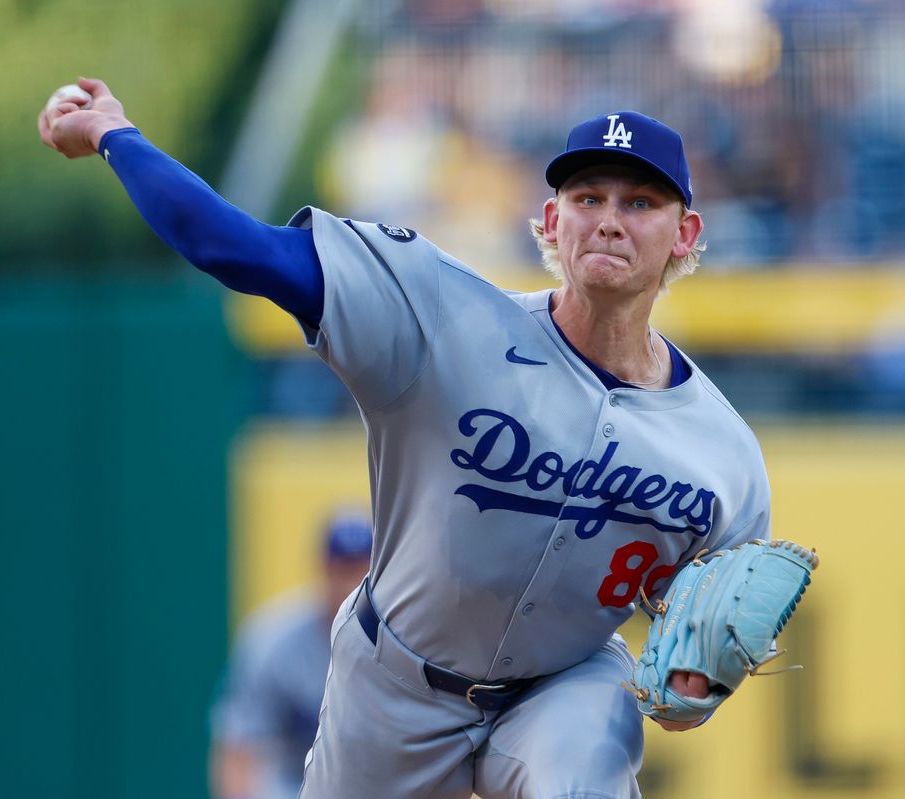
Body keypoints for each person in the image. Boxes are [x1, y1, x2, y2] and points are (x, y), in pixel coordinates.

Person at [40, 79, 772, 799]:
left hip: (566, 684)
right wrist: (115, 137)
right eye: (589, 198)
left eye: (640, 202)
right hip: (396, 683)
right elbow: (237, 247)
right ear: (551, 220)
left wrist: (697, 681)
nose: (610, 219)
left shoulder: (723, 454)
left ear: (685, 233)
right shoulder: (441, 314)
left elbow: (707, 631)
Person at [208, 511, 372, 799]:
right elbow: (238, 747)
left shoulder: (397, 643)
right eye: (343, 570)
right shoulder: (273, 639)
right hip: (290, 786)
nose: (351, 584)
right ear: (324, 569)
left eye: (361, 570)